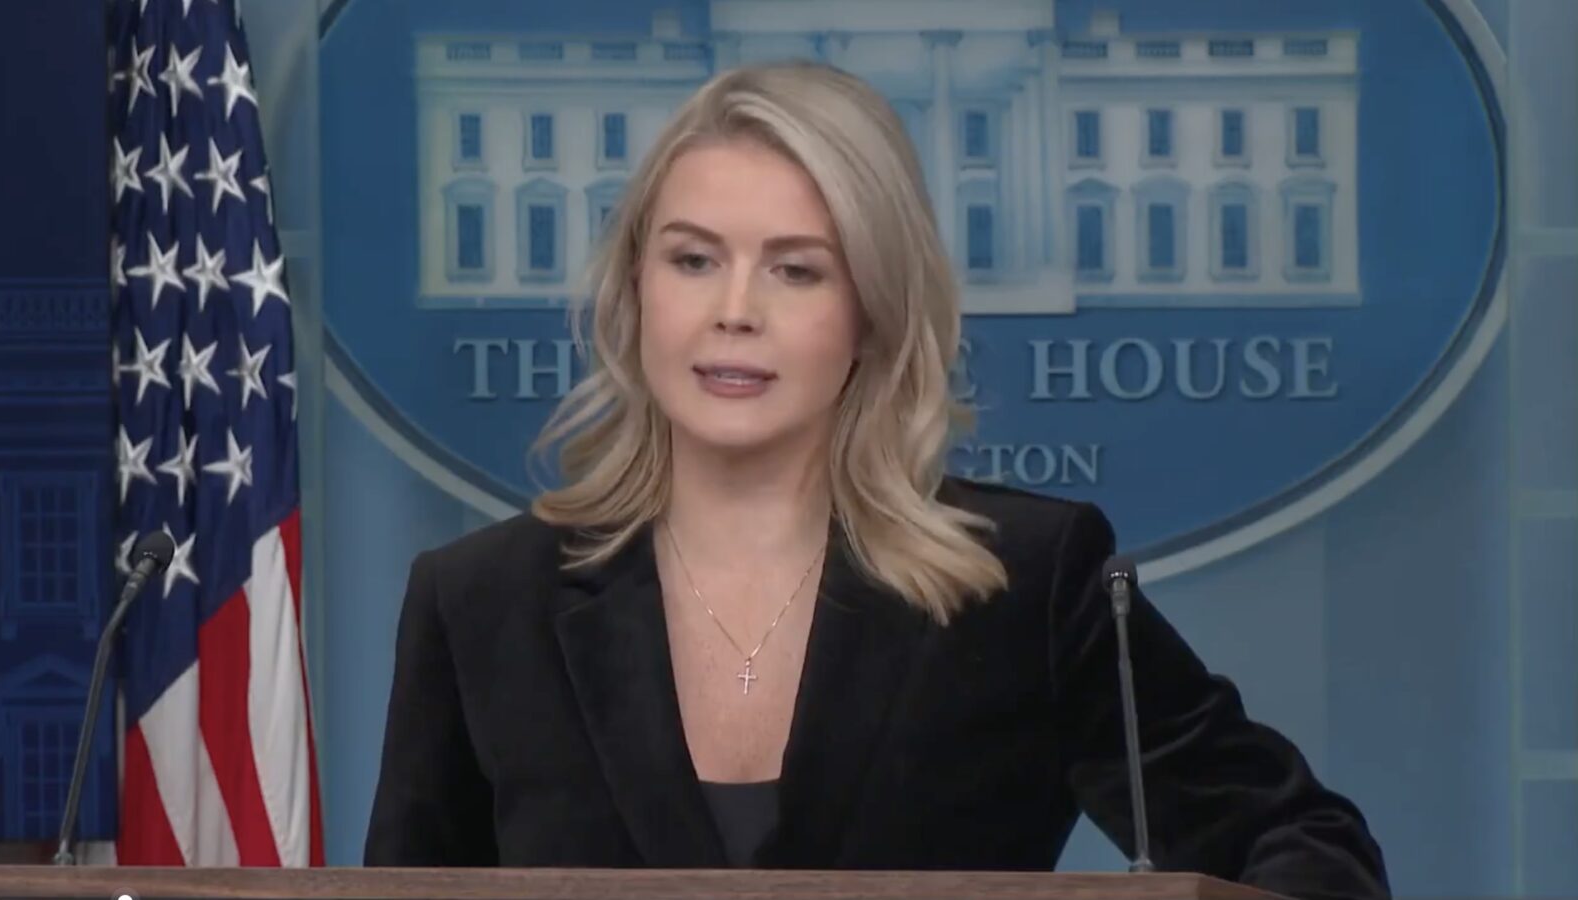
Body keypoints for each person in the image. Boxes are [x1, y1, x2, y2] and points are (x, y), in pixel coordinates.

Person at [364, 61, 1389, 899]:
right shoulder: (479, 601)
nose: (734, 309)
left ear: (872, 309)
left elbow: (1309, 849)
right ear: (635, 288)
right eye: (691, 259)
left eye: (795, 268)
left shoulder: (1022, 585)